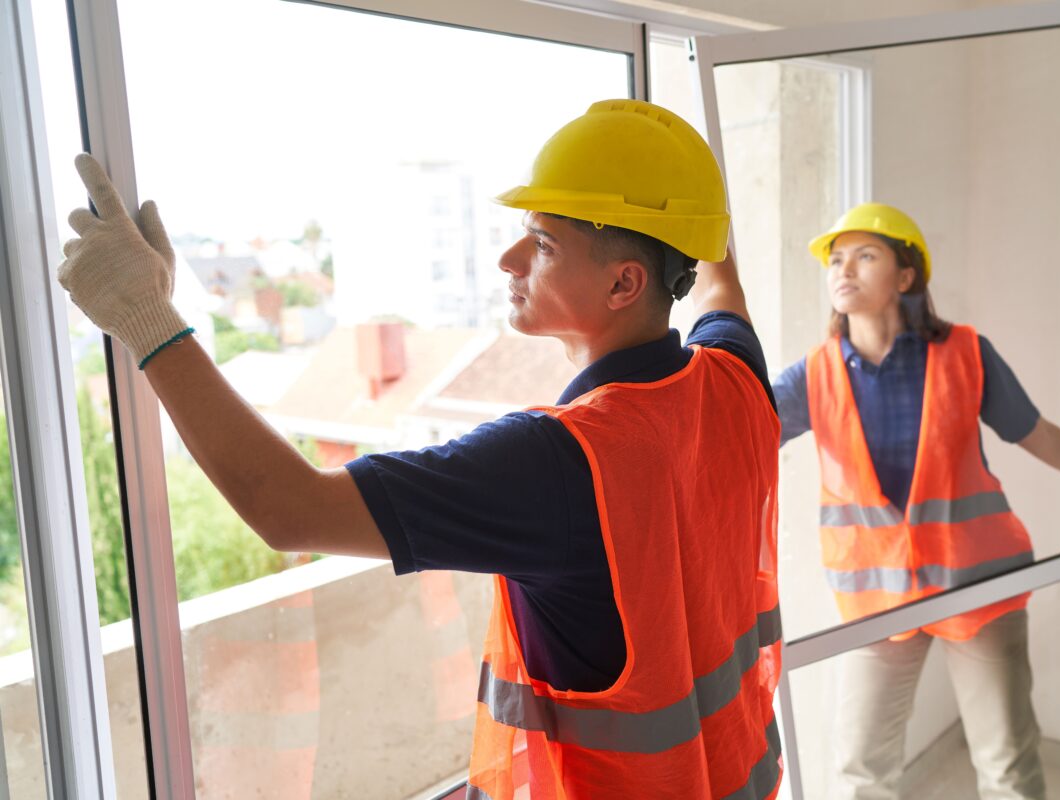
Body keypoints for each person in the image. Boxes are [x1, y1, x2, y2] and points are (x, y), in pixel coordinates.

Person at [58, 100, 783, 799]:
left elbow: (290, 508)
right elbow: (723, 288)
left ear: (625, 282)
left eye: (544, 243)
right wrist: (687, 200)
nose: (508, 258)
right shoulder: (734, 376)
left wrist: (146, 316)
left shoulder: (557, 464)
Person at [771, 202, 1060, 800]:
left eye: (865, 254)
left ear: (906, 276)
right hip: (878, 603)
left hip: (980, 587)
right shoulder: (814, 376)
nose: (842, 268)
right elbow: (737, 431)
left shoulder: (964, 353)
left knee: (1007, 762)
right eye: (835, 258)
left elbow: (1038, 435)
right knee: (861, 769)